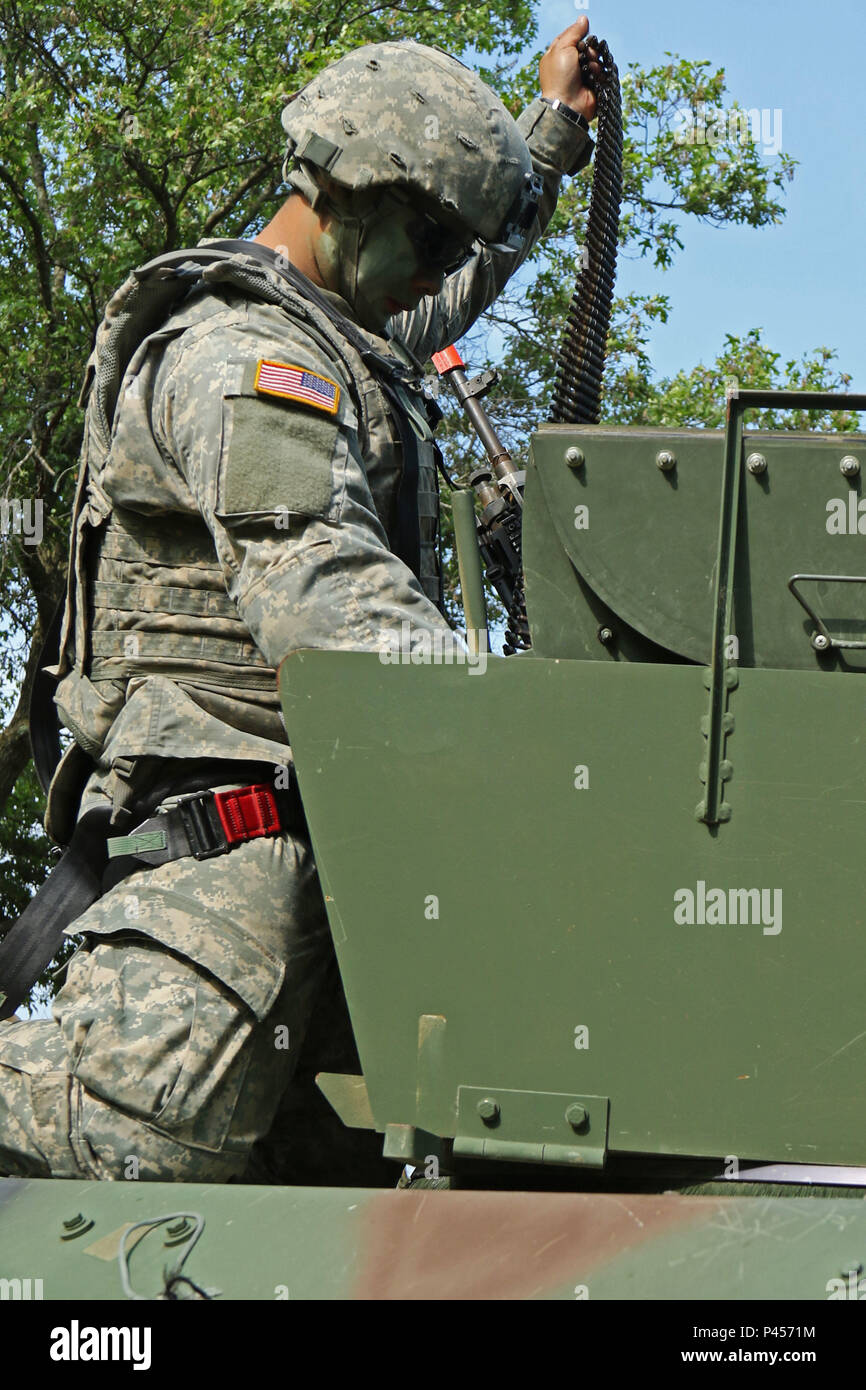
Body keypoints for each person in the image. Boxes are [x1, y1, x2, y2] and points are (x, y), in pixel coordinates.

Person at [0, 21, 598, 1182]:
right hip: (218, 870)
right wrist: (539, 756)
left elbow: (455, 285)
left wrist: (555, 131)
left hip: (327, 869)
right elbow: (327, 599)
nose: (439, 267)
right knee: (137, 1157)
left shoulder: (344, 325)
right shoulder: (242, 362)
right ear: (347, 196)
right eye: (428, 234)